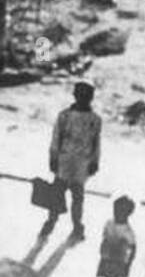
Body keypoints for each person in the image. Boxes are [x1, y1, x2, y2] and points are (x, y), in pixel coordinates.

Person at [41, 81, 102, 240]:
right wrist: (53, 157)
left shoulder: (95, 120)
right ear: (74, 96)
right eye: (80, 95)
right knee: (57, 194)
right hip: (65, 161)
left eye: (86, 96)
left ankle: (77, 225)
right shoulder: (64, 116)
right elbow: (56, 138)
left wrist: (95, 161)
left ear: (91, 98)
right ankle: (51, 221)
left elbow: (96, 142)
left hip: (82, 164)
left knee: (78, 197)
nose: (82, 99)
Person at [92, 196, 137, 277]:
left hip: (118, 262)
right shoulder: (109, 223)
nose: (117, 213)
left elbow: (133, 248)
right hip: (107, 258)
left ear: (127, 214)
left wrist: (128, 264)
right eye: (115, 210)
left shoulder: (128, 231)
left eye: (121, 212)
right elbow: (105, 237)